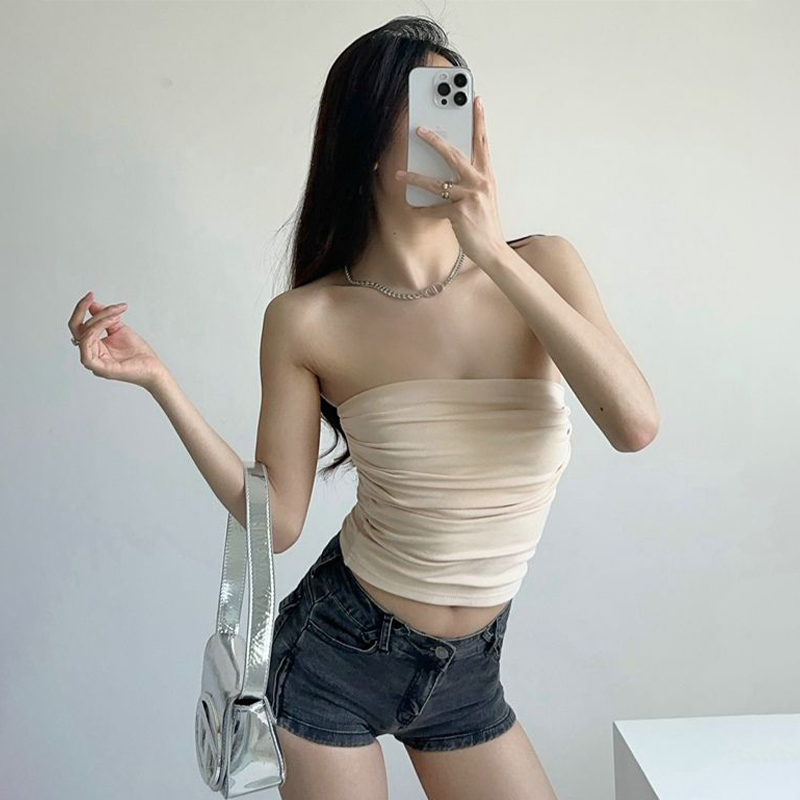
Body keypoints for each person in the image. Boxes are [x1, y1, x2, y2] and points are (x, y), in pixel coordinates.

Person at [67, 15, 659, 800]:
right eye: (427, 107)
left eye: (457, 101)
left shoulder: (543, 266)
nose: (450, 130)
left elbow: (634, 425)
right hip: (331, 660)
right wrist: (159, 382)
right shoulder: (308, 319)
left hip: (469, 674)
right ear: (369, 141)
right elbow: (276, 522)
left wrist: (489, 251)